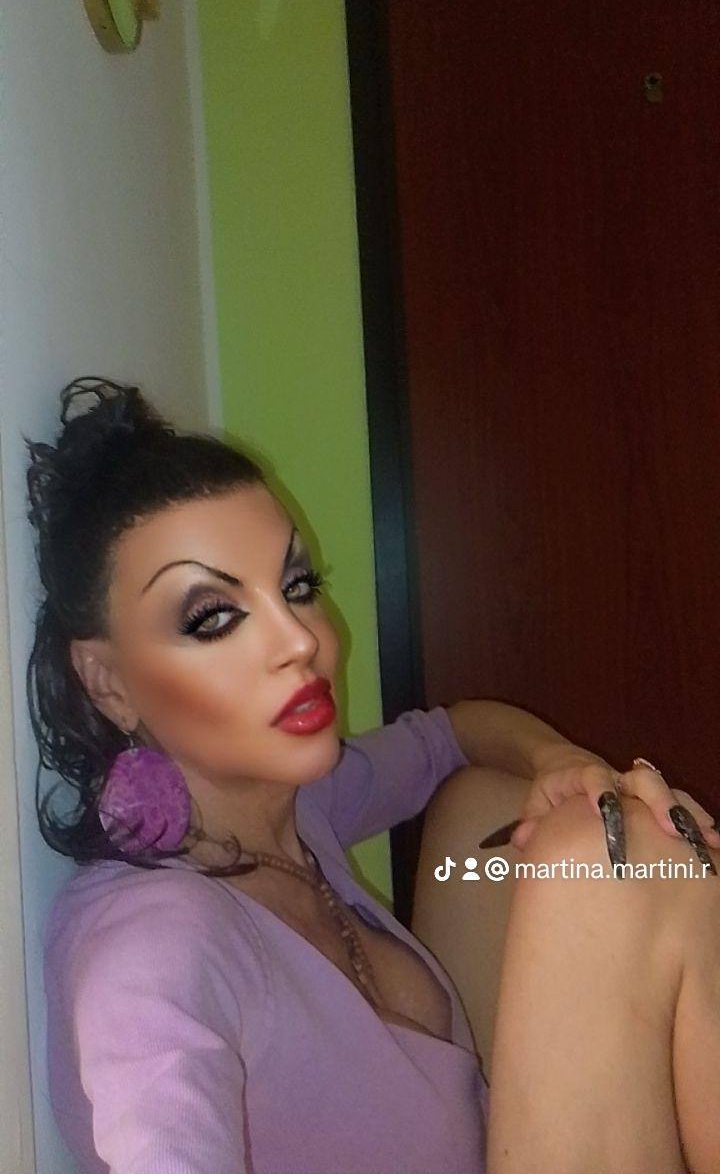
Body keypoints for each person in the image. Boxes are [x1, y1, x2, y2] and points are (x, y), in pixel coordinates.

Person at [26, 376, 720, 1174]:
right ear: (109, 683)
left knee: (500, 810)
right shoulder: (151, 939)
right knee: (622, 852)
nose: (300, 640)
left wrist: (560, 763)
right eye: (214, 617)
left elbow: (453, 734)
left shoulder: (296, 811)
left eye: (297, 587)